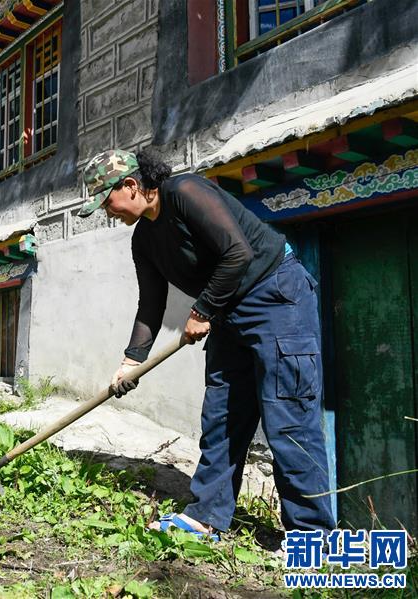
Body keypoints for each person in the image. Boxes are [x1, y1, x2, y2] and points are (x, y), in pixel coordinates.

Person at [79, 149, 334, 541]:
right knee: (221, 417)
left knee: (288, 417)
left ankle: (313, 536)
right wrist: (131, 360)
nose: (106, 212)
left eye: (106, 201)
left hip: (276, 297)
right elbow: (151, 303)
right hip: (227, 311)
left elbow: (237, 252)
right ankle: (207, 517)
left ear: (130, 186)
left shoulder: (185, 190)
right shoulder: (143, 239)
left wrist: (201, 311)